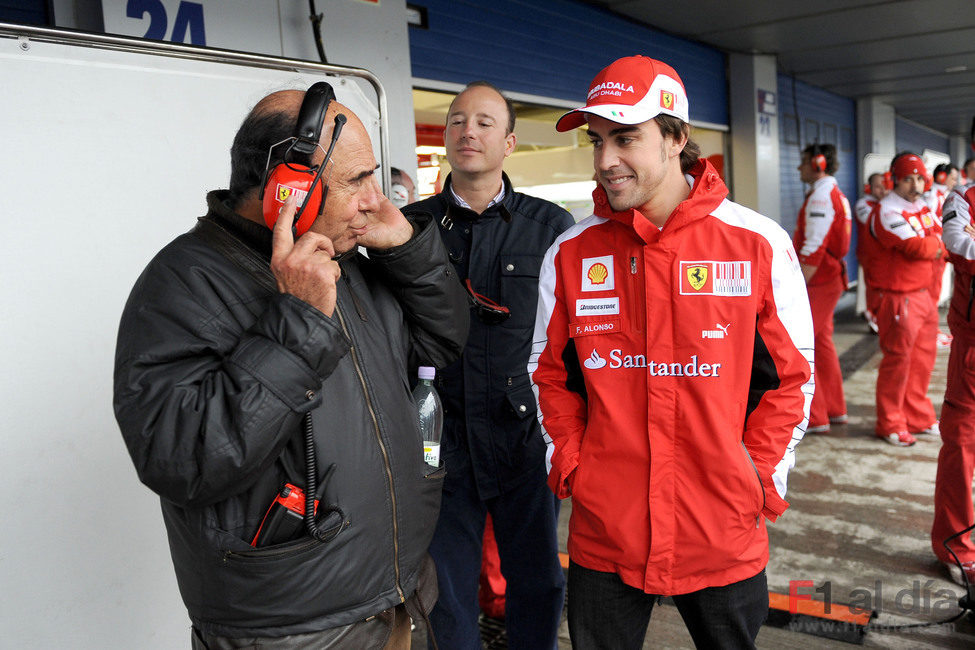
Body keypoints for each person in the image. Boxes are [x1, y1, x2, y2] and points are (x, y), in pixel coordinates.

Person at [113, 86, 469, 647]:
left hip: (398, 598)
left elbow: (442, 341)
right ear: (288, 190)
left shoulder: (346, 257)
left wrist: (405, 249)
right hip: (293, 630)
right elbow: (182, 460)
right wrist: (298, 321)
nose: (377, 201)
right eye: (357, 182)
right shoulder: (182, 283)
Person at [529, 55, 814, 649]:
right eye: (597, 140)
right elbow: (547, 375)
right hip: (608, 533)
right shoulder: (571, 253)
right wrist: (578, 467)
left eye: (626, 137)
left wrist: (757, 479)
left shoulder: (758, 244)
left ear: (676, 137)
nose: (606, 160)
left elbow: (794, 380)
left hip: (722, 531)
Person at [405, 80, 572, 649]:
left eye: (482, 122)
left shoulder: (551, 229)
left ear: (509, 143)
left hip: (525, 435)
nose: (466, 131)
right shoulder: (410, 229)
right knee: (444, 585)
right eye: (456, 121)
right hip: (441, 437)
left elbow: (575, 335)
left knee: (539, 578)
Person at [869, 152, 946, 446]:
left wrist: (936, 244)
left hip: (924, 296)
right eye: (907, 179)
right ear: (894, 180)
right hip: (899, 298)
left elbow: (939, 238)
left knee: (922, 360)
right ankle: (889, 422)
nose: (915, 185)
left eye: (918, 178)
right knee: (898, 362)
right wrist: (937, 245)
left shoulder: (920, 206)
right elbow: (917, 247)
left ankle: (918, 415)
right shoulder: (887, 210)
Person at [931, 180, 975, 586]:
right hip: (972, 348)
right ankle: (956, 546)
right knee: (961, 448)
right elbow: (958, 243)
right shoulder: (965, 197)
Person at [793, 143, 851, 433]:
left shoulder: (821, 196)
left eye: (803, 162)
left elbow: (814, 247)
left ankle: (816, 417)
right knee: (823, 344)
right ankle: (834, 409)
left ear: (818, 164)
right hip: (829, 278)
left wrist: (796, 285)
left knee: (804, 345)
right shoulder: (830, 193)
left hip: (819, 280)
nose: (798, 168)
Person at [855, 172, 889, 333]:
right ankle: (873, 319)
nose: (882, 190)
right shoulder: (863, 204)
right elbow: (875, 223)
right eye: (877, 187)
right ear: (869, 187)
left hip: (883, 256)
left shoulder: (887, 204)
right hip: (868, 254)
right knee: (872, 289)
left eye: (884, 186)